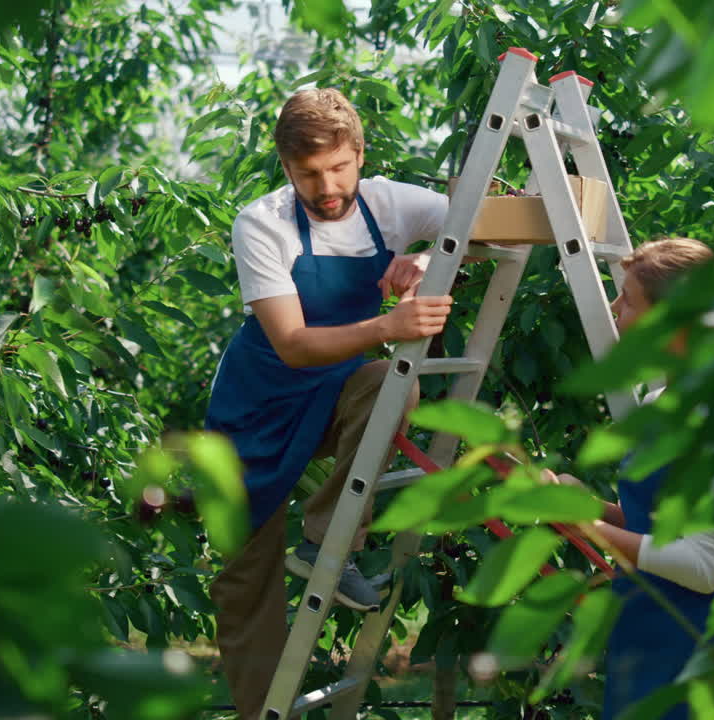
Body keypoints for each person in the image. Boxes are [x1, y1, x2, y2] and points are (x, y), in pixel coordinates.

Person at [203, 88, 453, 718]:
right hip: (257, 413)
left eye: (339, 167)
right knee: (242, 584)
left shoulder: (393, 205)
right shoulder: (263, 223)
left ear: (360, 154)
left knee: (391, 383)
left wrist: (428, 257)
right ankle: (262, 712)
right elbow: (291, 344)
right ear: (287, 169)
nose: (327, 186)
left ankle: (324, 542)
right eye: (309, 174)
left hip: (338, 392)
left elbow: (482, 225)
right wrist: (385, 327)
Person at [548, 238, 714, 720]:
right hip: (653, 634)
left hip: (694, 652)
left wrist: (588, 528)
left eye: (627, 299)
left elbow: (705, 566)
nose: (614, 309)